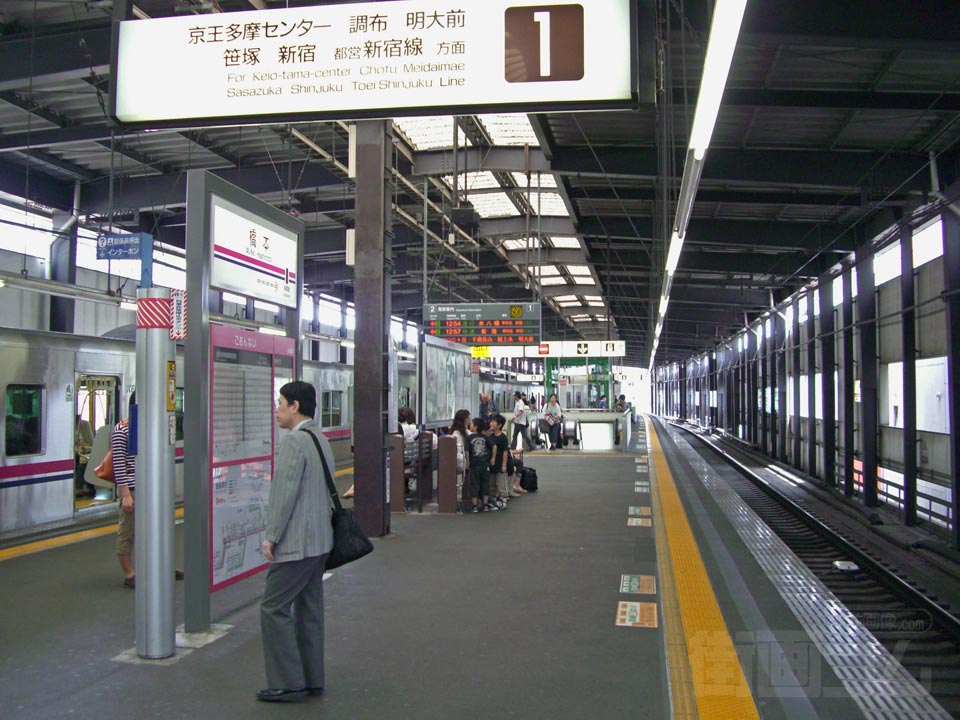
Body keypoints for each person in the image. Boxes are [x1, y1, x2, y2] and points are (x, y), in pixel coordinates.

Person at [258, 381, 334, 704]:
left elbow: (284, 494)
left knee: (273, 607)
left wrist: (271, 536)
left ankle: (288, 682)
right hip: (320, 542)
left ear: (295, 406)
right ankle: (312, 678)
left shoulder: (293, 443)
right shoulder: (320, 438)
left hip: (297, 544)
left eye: (280, 403)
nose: (276, 410)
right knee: (309, 610)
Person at [466, 416, 494, 513]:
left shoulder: (469, 438)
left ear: (476, 427)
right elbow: (494, 446)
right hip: (485, 464)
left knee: (474, 484)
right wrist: (492, 458)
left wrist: (468, 462)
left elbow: (467, 451)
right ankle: (485, 505)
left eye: (472, 424)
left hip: (474, 465)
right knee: (485, 484)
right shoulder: (485, 437)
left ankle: (474, 506)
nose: (470, 425)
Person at [488, 414, 513, 503]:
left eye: (493, 422)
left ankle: (504, 496)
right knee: (492, 482)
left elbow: (505, 451)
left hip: (500, 462)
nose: (491, 423)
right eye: (491, 421)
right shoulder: (490, 436)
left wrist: (504, 464)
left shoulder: (503, 437)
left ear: (499, 425)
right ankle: (494, 498)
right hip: (492, 464)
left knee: (501, 481)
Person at [450, 409, 470, 509]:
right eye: (468, 417)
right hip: (460, 461)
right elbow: (457, 454)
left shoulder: (465, 431)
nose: (469, 419)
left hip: (464, 459)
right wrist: (467, 461)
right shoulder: (456, 434)